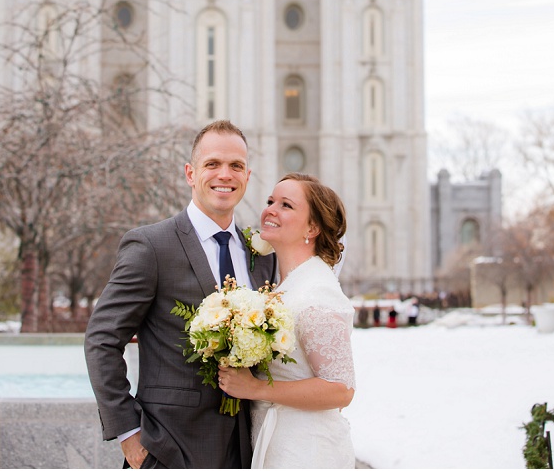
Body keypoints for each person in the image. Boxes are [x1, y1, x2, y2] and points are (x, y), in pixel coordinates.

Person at [85, 119, 276, 468]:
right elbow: (101, 339)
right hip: (168, 449)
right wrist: (129, 434)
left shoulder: (260, 254)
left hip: (244, 450)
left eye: (236, 166)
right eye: (212, 164)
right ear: (190, 173)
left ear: (248, 176)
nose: (225, 174)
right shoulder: (151, 246)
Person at [218, 173, 356, 469]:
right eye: (270, 201)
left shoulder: (318, 292)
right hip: (276, 441)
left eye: (286, 205)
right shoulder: (285, 287)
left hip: (307, 450)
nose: (270, 209)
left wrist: (255, 389)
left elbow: (341, 390)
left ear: (312, 227)